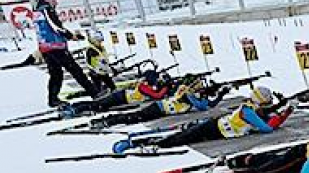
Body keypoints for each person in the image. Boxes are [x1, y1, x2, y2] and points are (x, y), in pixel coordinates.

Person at [113, 85, 289, 152]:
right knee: (179, 138)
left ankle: (141, 142)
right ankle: (139, 144)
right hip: (213, 128)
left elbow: (208, 104)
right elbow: (266, 128)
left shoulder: (251, 107)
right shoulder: (249, 111)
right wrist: (283, 115)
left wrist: (283, 111)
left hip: (216, 128)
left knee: (181, 136)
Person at [32, 0, 102, 107]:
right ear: (47, 1)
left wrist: (70, 35)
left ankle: (53, 99)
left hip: (46, 48)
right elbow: (56, 27)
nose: (56, 4)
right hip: (56, 47)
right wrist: (70, 36)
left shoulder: (37, 13)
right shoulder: (47, 10)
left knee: (56, 74)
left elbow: (48, 29)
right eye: (54, 1)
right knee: (75, 70)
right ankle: (95, 93)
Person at [92, 82, 229, 129]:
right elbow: (201, 106)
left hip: (161, 109)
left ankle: (108, 120)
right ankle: (107, 121)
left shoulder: (190, 93)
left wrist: (220, 95)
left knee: (134, 117)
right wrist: (210, 95)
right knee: (133, 117)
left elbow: (208, 104)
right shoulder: (187, 94)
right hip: (159, 108)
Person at [64, 68, 172, 117]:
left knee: (98, 104)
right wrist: (166, 88)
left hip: (122, 96)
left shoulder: (145, 84)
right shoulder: (144, 86)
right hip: (121, 97)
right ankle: (75, 108)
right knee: (98, 104)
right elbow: (157, 95)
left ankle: (75, 107)